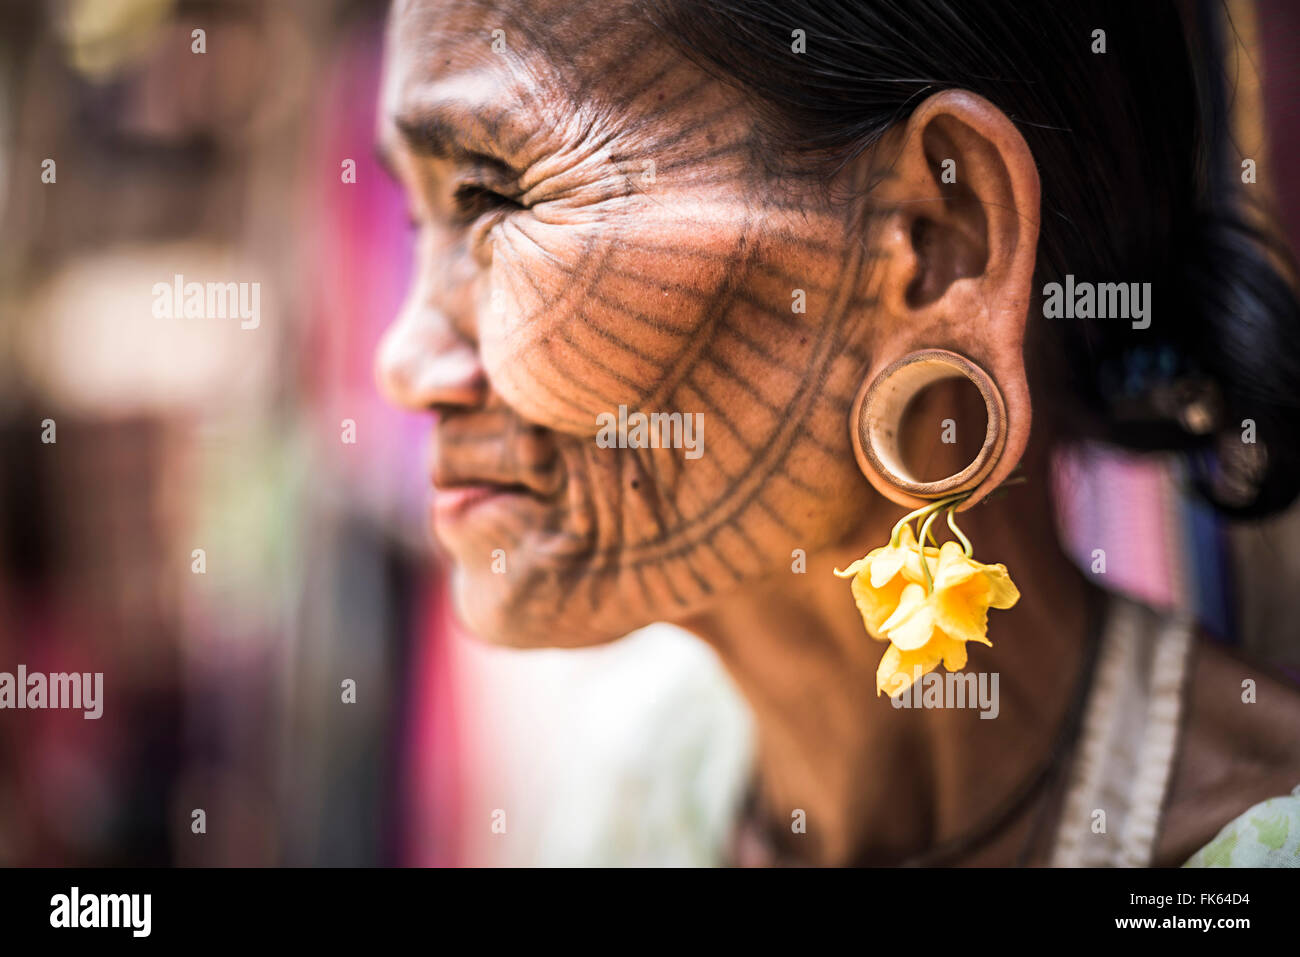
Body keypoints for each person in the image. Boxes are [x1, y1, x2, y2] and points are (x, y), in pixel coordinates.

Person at [373, 0, 1300, 866]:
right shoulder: (627, 775)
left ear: (939, 242)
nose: (402, 366)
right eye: (419, 219)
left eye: (492, 198)